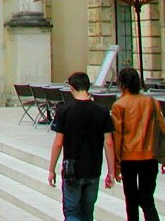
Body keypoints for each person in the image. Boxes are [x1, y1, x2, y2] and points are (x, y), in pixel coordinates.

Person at [47, 71, 115, 221]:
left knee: (72, 212)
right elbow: (109, 143)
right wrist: (111, 172)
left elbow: (58, 143)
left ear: (71, 88)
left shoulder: (64, 111)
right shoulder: (102, 111)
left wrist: (51, 169)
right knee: (87, 213)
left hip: (72, 170)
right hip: (93, 169)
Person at [111, 67, 165, 221]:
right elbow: (164, 130)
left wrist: (116, 165)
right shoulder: (151, 102)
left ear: (121, 84)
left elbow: (117, 137)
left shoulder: (119, 105)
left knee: (131, 200)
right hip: (150, 155)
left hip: (128, 157)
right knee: (147, 199)